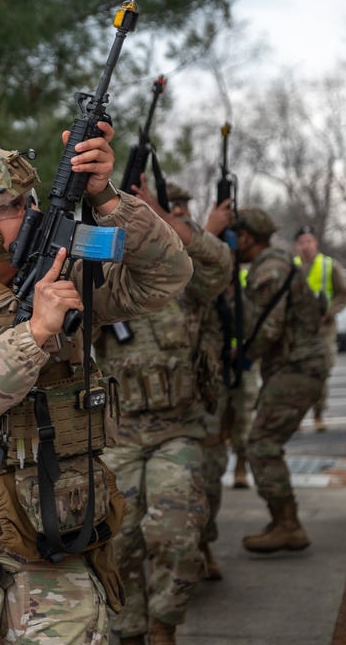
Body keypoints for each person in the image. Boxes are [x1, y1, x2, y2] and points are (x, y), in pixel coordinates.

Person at [0, 123, 194, 645]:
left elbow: (166, 276)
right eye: (11, 207)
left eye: (30, 199)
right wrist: (33, 335)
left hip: (60, 528)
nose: (31, 213)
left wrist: (106, 198)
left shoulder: (66, 277)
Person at [94, 180, 231, 644]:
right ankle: (130, 632)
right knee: (118, 539)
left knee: (176, 533)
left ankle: (163, 626)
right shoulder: (105, 274)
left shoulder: (181, 274)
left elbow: (222, 265)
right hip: (121, 433)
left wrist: (169, 221)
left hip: (178, 428)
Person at [233, 209, 328, 553]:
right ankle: (282, 520)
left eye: (234, 236)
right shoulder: (274, 263)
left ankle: (288, 524)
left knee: (261, 444)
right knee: (264, 442)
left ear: (245, 237)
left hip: (298, 368)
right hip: (295, 367)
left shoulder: (270, 268)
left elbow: (268, 328)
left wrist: (243, 355)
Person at [293, 225, 346, 432]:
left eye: (309, 241)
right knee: (298, 376)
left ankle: (318, 414)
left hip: (323, 331)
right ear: (297, 245)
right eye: (302, 242)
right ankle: (298, 417)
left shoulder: (329, 266)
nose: (306, 246)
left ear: (315, 242)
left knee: (321, 373)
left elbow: (344, 294)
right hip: (298, 332)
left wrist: (329, 311)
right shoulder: (292, 268)